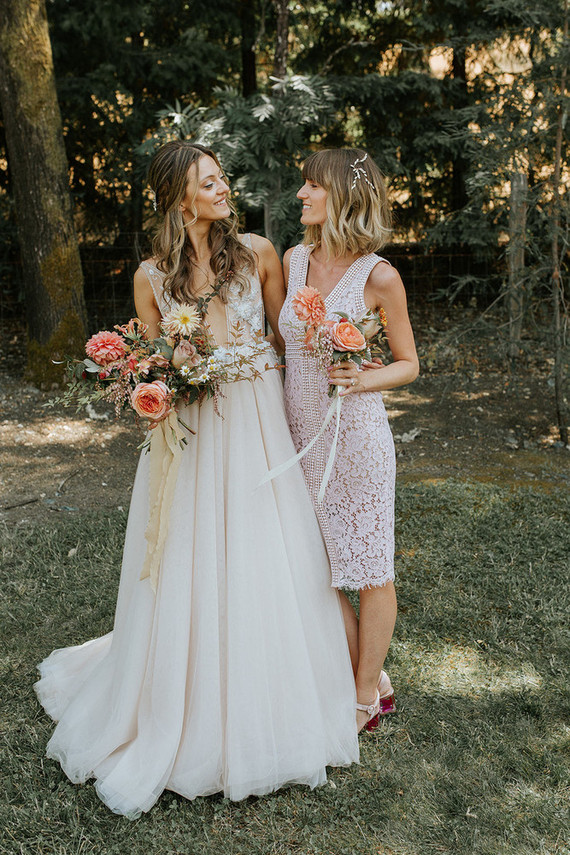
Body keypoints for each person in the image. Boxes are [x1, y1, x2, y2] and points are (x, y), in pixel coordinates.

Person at [34, 141, 358, 818]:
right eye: (208, 181)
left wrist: (337, 361)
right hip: (195, 434)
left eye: (220, 177)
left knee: (266, 550)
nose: (222, 187)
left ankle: (282, 690)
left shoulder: (260, 254)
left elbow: (284, 338)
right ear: (182, 198)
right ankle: (182, 698)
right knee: (193, 554)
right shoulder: (151, 276)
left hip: (258, 425)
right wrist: (158, 380)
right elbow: (154, 362)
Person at [279, 148, 419, 733]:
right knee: (312, 561)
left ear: (342, 197)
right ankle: (371, 678)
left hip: (356, 438)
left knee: (367, 568)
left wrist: (362, 376)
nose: (301, 195)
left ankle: (362, 696)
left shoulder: (379, 275)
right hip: (297, 432)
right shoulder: (292, 260)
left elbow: (409, 364)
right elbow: (281, 342)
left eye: (312, 187)